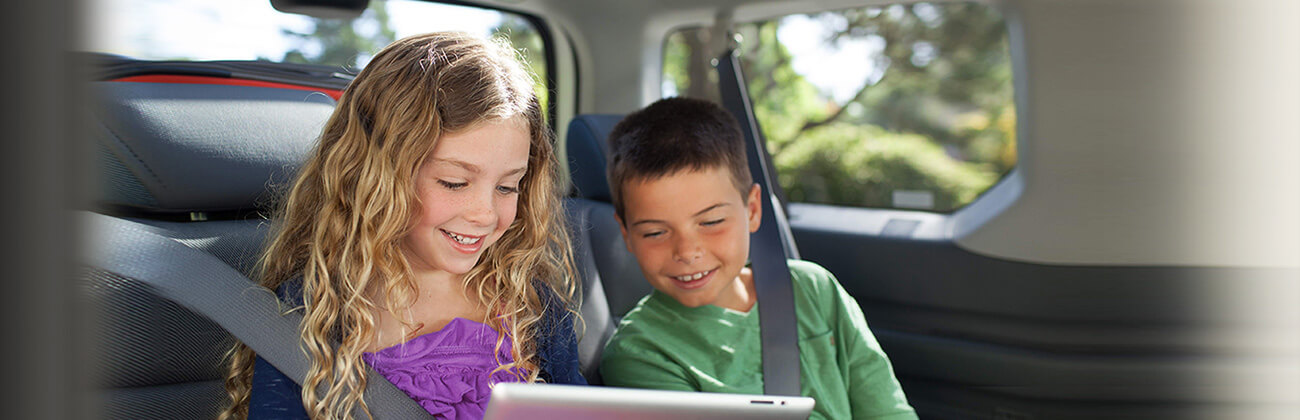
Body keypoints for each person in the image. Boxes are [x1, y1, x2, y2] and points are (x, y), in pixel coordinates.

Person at [219, 32, 584, 420]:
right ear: (377, 176)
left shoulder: (531, 307)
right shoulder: (314, 314)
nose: (486, 214)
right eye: (454, 182)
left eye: (508, 187)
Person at [598, 97, 916, 419]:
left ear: (752, 210)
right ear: (626, 235)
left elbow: (888, 409)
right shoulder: (640, 354)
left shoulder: (813, 290)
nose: (687, 251)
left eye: (711, 222)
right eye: (655, 233)